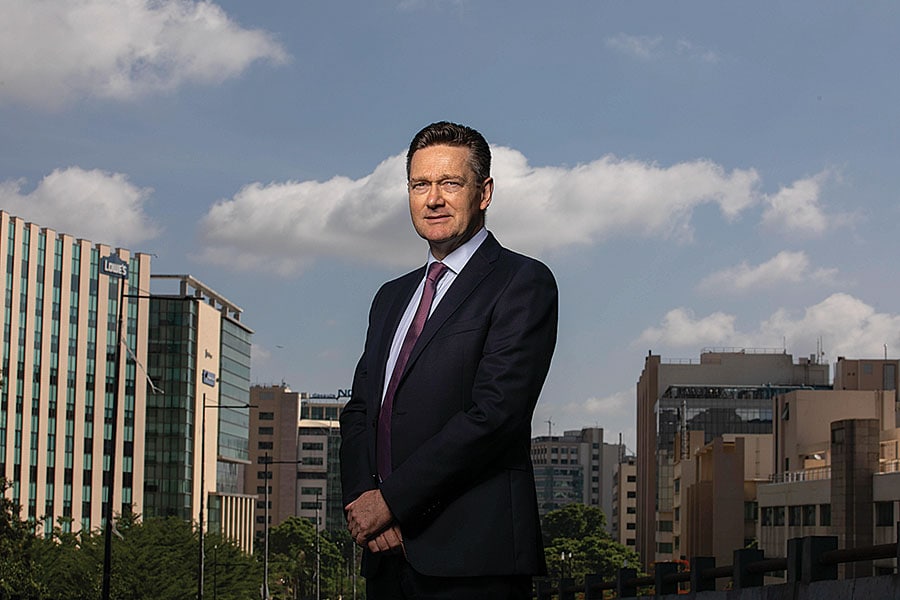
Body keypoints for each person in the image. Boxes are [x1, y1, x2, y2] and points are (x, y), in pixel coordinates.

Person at [340, 121, 558, 599]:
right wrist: (364, 504)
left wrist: (391, 502)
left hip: (473, 559)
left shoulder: (522, 282)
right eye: (420, 185)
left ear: (484, 193)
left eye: (450, 183)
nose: (433, 199)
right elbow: (359, 411)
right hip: (384, 557)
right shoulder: (390, 297)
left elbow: (495, 416)